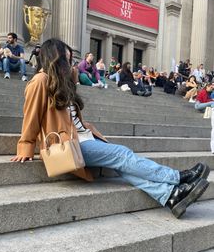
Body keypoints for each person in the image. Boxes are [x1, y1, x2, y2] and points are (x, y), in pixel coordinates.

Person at [11, 38, 210, 219]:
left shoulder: (61, 81)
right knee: (122, 154)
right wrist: (26, 146)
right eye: (67, 59)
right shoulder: (40, 81)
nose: (71, 64)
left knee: (121, 164)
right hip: (68, 144)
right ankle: (176, 177)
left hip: (83, 137)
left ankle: (169, 196)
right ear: (56, 58)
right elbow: (31, 116)